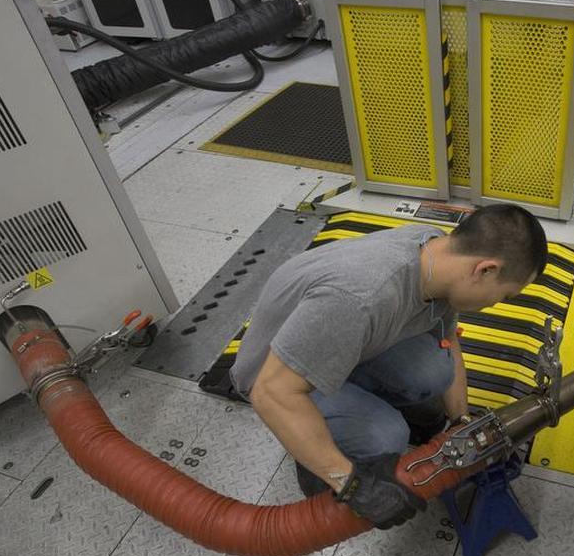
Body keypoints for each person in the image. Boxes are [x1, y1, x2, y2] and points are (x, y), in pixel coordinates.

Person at [229, 204, 548, 529]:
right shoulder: (359, 298)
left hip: (337, 344)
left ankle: (357, 407)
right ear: (485, 270)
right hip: (276, 378)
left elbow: (447, 339)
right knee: (386, 437)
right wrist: (351, 484)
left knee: (436, 368)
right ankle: (316, 466)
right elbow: (270, 393)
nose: (498, 304)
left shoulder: (438, 254)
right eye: (506, 295)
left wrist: (461, 421)